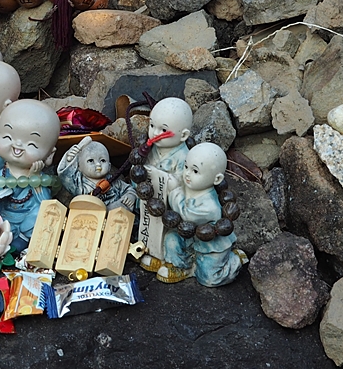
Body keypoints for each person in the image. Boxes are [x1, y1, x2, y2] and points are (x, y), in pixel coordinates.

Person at [159, 143, 244, 286]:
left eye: (195, 171)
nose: (187, 174)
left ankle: (234, 260)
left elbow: (186, 215)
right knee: (170, 239)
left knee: (209, 279)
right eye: (186, 166)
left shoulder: (210, 206)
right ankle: (182, 267)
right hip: (187, 234)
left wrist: (173, 192)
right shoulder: (187, 185)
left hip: (210, 244)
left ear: (217, 179)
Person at [0, 99, 60, 251]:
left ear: (50, 155)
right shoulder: (2, 174)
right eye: (8, 137)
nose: (17, 146)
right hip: (5, 216)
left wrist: (35, 178)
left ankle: (21, 243)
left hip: (27, 220)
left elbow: (45, 203)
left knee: (40, 214)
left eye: (32, 144)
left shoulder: (41, 178)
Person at [137, 97, 193, 272]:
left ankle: (171, 261)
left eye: (163, 130)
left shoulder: (184, 156)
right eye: (152, 125)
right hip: (150, 200)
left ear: (183, 135)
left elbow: (183, 182)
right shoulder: (151, 149)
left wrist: (162, 177)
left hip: (170, 205)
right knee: (148, 224)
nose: (154, 133)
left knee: (168, 231)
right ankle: (151, 252)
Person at [57, 136, 137, 211]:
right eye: (91, 161)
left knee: (122, 206)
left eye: (102, 160)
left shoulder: (114, 181)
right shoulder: (79, 184)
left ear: (109, 166)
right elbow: (65, 176)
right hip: (90, 214)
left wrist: (130, 195)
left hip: (112, 213)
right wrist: (69, 159)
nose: (98, 164)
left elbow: (128, 189)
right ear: (79, 167)